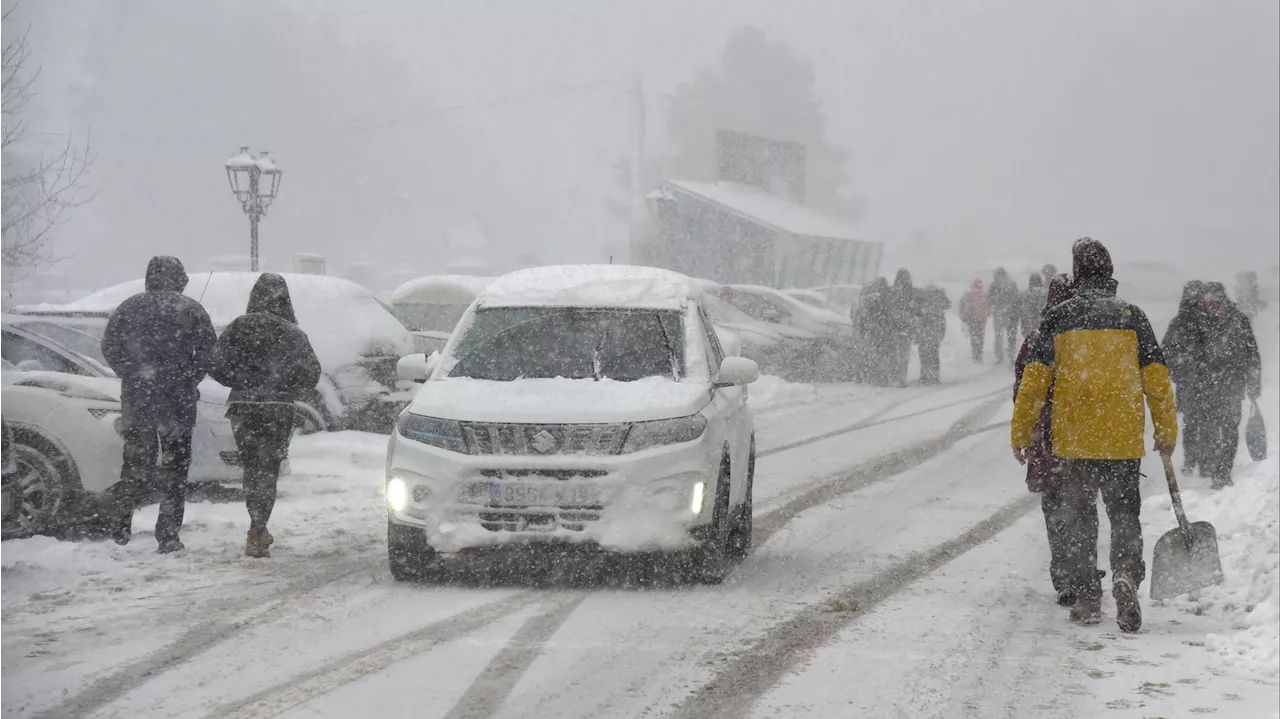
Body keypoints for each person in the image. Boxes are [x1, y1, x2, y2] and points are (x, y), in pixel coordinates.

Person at [1012, 238, 1178, 632]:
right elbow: (1157, 381)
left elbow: (1033, 385)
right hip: (1122, 440)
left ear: (1078, 271)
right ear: (1109, 271)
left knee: (1080, 519)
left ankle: (1087, 596)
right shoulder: (1132, 316)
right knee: (1124, 514)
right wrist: (1166, 430)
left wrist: (1021, 432)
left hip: (1074, 439)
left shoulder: (1058, 318)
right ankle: (1125, 575)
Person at [101, 256, 217, 553]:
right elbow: (207, 352)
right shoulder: (190, 309)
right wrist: (189, 377)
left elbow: (109, 346)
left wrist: (131, 371)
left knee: (136, 465)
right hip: (177, 401)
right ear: (179, 279)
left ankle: (120, 524)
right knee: (176, 469)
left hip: (139, 398)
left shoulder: (128, 308)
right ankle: (167, 534)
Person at [211, 274, 321, 558]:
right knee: (269, 469)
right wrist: (284, 382)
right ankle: (258, 528)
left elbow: (216, 365)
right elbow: (312, 374)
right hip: (278, 407)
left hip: (243, 406)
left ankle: (256, 528)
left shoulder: (238, 327)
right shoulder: (293, 333)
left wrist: (243, 381)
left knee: (251, 468)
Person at [1014, 274, 1098, 606]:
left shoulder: (1038, 339)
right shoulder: (1086, 341)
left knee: (1054, 506)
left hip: (1046, 435)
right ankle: (1083, 570)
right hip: (1080, 435)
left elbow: (1021, 390)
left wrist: (1026, 429)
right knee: (1084, 504)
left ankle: (1065, 572)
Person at [1195, 282, 1261, 489]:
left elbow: (1252, 354)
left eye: (1216, 302)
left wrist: (1254, 384)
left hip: (1233, 385)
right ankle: (1213, 467)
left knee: (1230, 428)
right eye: (1209, 304)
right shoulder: (1200, 324)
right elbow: (1191, 355)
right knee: (1210, 429)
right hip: (1208, 386)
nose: (1213, 307)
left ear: (1224, 300)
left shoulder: (1239, 321)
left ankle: (1223, 471)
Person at [1162, 280, 1209, 476]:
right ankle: (1203, 460)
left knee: (1192, 422)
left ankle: (1192, 459)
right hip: (1203, 380)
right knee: (1204, 421)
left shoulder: (1178, 322)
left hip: (1189, 380)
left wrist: (1178, 371)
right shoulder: (1207, 321)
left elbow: (1166, 351)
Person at [855, 278, 895, 386]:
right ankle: (881, 378)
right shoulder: (885, 298)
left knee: (871, 355)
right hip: (881, 332)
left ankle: (871, 377)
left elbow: (859, 317)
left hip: (871, 332)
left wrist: (861, 331)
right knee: (881, 355)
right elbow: (889, 316)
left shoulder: (864, 300)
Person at [887, 269, 918, 386]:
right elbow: (916, 309)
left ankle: (893, 377)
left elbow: (886, 308)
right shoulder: (911, 292)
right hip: (905, 327)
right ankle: (902, 378)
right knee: (904, 355)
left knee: (893, 354)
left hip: (892, 327)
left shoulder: (891, 291)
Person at [916, 286, 950, 385]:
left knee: (924, 354)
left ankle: (924, 376)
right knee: (934, 353)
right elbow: (948, 305)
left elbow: (918, 316)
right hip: (935, 332)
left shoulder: (923, 302)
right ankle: (934, 376)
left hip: (925, 332)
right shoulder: (939, 301)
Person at [989, 268, 1020, 364]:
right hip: (1007, 313)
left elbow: (991, 298)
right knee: (1008, 335)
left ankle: (1003, 356)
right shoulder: (1011, 284)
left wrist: (999, 305)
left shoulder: (994, 285)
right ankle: (1009, 356)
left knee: (1002, 335)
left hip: (1002, 313)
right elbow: (1016, 298)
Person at [958, 280, 989, 363]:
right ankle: (978, 354)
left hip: (973, 319)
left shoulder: (968, 295)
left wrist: (963, 316)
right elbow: (988, 307)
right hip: (981, 319)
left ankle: (976, 355)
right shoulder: (984, 295)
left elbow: (962, 306)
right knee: (980, 337)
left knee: (975, 337)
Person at [1020, 274, 1048, 341]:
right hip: (1043, 321)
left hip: (1030, 321)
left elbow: (1024, 309)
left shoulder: (1026, 293)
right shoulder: (1046, 292)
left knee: (1031, 343)